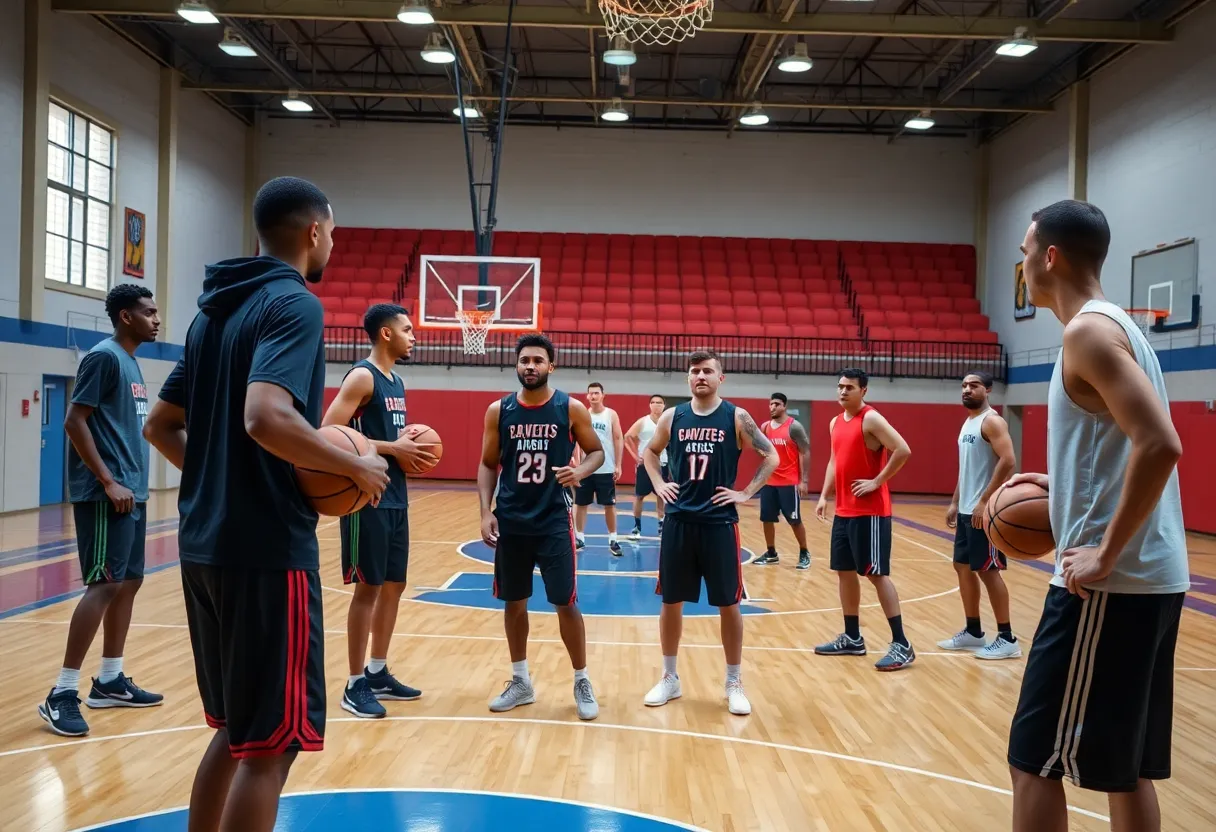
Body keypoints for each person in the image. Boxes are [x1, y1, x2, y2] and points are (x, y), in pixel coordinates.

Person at [143, 177, 389, 832]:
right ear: (314, 231)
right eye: (333, 232)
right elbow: (265, 416)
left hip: (203, 548)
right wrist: (355, 466)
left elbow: (161, 425)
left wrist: (222, 478)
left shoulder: (213, 312)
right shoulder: (294, 305)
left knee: (235, 733)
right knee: (270, 747)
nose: (333, 242)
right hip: (265, 553)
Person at [1005, 200, 1188, 832]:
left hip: (1106, 587)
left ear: (1049, 256)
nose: (1023, 263)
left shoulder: (1085, 331)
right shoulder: (1120, 328)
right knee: (1124, 768)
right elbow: (1124, 444)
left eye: (1026, 252)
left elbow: (1161, 442)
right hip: (1152, 582)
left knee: (1032, 762)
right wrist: (1061, 486)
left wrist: (1105, 552)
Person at [38, 284, 164, 738]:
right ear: (125, 317)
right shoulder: (104, 357)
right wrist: (108, 480)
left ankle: (109, 679)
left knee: (128, 583)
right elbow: (74, 420)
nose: (156, 319)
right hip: (105, 493)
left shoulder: (130, 362)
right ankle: (62, 691)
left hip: (132, 493)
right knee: (103, 585)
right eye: (148, 312)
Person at [641, 349, 779, 716]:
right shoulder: (673, 416)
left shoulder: (737, 416)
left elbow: (772, 456)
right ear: (688, 378)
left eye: (707, 371)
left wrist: (746, 492)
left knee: (729, 604)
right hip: (679, 522)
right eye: (694, 371)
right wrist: (658, 483)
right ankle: (669, 677)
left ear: (721, 378)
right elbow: (650, 454)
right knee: (670, 602)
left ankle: (734, 681)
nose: (700, 376)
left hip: (719, 524)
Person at [477, 334, 604, 721]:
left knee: (565, 602)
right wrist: (486, 511)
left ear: (551, 367)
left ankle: (582, 680)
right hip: (512, 522)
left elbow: (597, 452)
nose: (529, 366)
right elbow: (487, 464)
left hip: (552, 521)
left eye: (537, 360)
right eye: (524, 360)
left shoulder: (571, 408)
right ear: (517, 366)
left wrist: (579, 470)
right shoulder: (498, 410)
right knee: (514, 603)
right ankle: (521, 681)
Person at [322, 303, 435, 718]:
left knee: (393, 585)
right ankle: (354, 685)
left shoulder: (396, 380)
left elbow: (382, 436)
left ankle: (377, 670)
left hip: (395, 495)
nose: (413, 336)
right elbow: (330, 431)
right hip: (364, 497)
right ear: (386, 334)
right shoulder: (362, 376)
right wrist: (393, 447)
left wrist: (404, 445)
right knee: (367, 589)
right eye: (407, 329)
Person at [814, 369, 916, 671]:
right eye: (840, 387)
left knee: (875, 574)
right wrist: (824, 495)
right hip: (844, 511)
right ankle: (853, 637)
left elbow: (903, 449)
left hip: (870, 512)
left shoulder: (871, 419)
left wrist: (877, 480)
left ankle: (902, 644)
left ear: (864, 391)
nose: (843, 392)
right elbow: (835, 460)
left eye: (849, 387)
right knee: (844, 572)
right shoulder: (835, 422)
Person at [939, 371, 1020, 660]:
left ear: (988, 390)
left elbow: (1009, 460)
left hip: (984, 513)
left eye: (973, 386)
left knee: (988, 571)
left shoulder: (992, 421)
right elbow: (967, 469)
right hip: (965, 510)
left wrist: (985, 501)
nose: (967, 390)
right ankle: (974, 632)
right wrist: (954, 502)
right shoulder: (969, 422)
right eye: (963, 385)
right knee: (962, 567)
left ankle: (1007, 637)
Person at [752, 392, 812, 570]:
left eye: (776, 404)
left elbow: (805, 451)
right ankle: (771, 553)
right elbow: (761, 449)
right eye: (771, 404)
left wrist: (804, 480)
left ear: (784, 406)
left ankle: (804, 552)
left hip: (789, 482)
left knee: (794, 520)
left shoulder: (794, 427)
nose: (772, 407)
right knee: (767, 519)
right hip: (769, 482)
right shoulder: (764, 427)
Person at [573, 382, 623, 556]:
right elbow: (576, 442)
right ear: (587, 396)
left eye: (596, 393)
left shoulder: (611, 414)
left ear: (603, 395)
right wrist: (577, 465)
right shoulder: (582, 414)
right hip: (585, 468)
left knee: (609, 505)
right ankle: (579, 538)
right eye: (590, 393)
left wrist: (618, 464)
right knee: (580, 504)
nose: (593, 396)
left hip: (606, 467)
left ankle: (613, 539)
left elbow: (618, 438)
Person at [624, 394, 669, 539]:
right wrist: (636, 457)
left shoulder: (668, 421)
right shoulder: (643, 422)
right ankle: (637, 527)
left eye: (659, 402)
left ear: (664, 405)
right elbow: (627, 437)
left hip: (663, 463)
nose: (656, 405)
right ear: (649, 405)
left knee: (662, 495)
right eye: (653, 402)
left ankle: (661, 525)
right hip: (646, 465)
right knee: (639, 496)